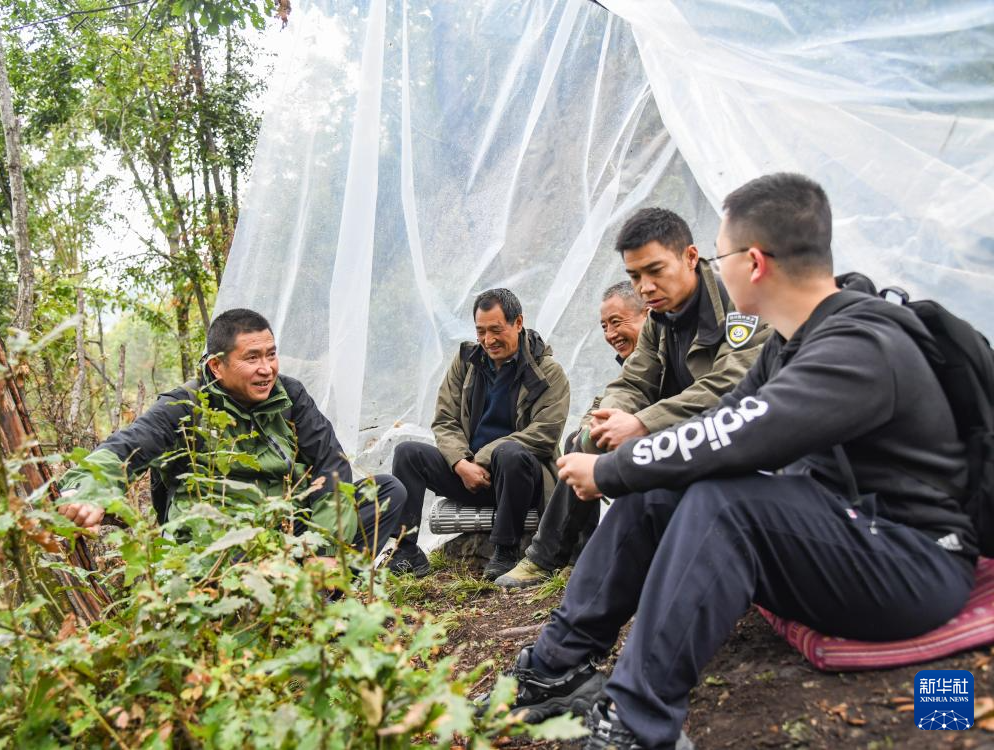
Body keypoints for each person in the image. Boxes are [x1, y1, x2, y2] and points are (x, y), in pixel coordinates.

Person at [492, 174, 978, 750]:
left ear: (754, 262)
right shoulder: (793, 343)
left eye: (720, 256)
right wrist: (631, 464)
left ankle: (635, 724)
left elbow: (740, 433)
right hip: (843, 535)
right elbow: (724, 417)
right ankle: (556, 664)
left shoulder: (860, 347)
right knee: (662, 491)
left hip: (913, 564)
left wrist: (610, 471)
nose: (715, 270)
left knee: (724, 503)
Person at [495, 208, 769, 589]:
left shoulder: (741, 304)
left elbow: (729, 386)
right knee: (587, 439)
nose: (645, 288)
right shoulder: (660, 318)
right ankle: (548, 557)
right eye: (635, 276)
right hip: (681, 432)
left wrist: (642, 422)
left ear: (690, 257)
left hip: (736, 438)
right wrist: (610, 417)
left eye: (655, 271)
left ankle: (621, 566)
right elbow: (633, 381)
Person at [57, 308, 406, 562]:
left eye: (271, 355)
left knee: (386, 491)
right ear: (216, 366)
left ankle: (323, 592)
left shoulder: (289, 396)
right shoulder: (185, 405)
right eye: (251, 358)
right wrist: (87, 491)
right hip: (218, 539)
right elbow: (127, 447)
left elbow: (332, 465)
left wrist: (324, 548)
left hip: (287, 527)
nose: (266, 369)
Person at [387, 288, 570, 580]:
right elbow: (445, 420)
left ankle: (506, 552)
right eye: (481, 331)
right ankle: (405, 550)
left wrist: (482, 459)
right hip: (470, 476)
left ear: (518, 322)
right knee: (408, 454)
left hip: (519, 480)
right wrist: (461, 463)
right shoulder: (467, 362)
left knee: (510, 454)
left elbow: (545, 433)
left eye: (496, 330)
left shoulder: (548, 372)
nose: (488, 340)